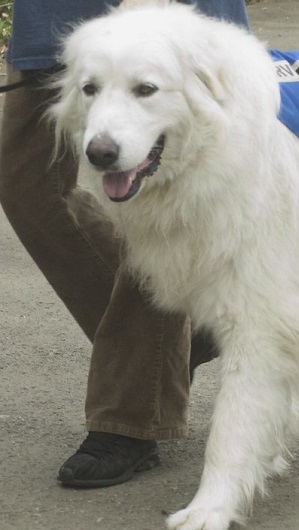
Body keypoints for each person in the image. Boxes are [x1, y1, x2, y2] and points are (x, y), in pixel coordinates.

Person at [0, 0, 249, 487]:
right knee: (24, 178)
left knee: (155, 203)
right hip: (54, 14)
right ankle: (176, 343)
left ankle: (132, 412)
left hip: (156, 19)